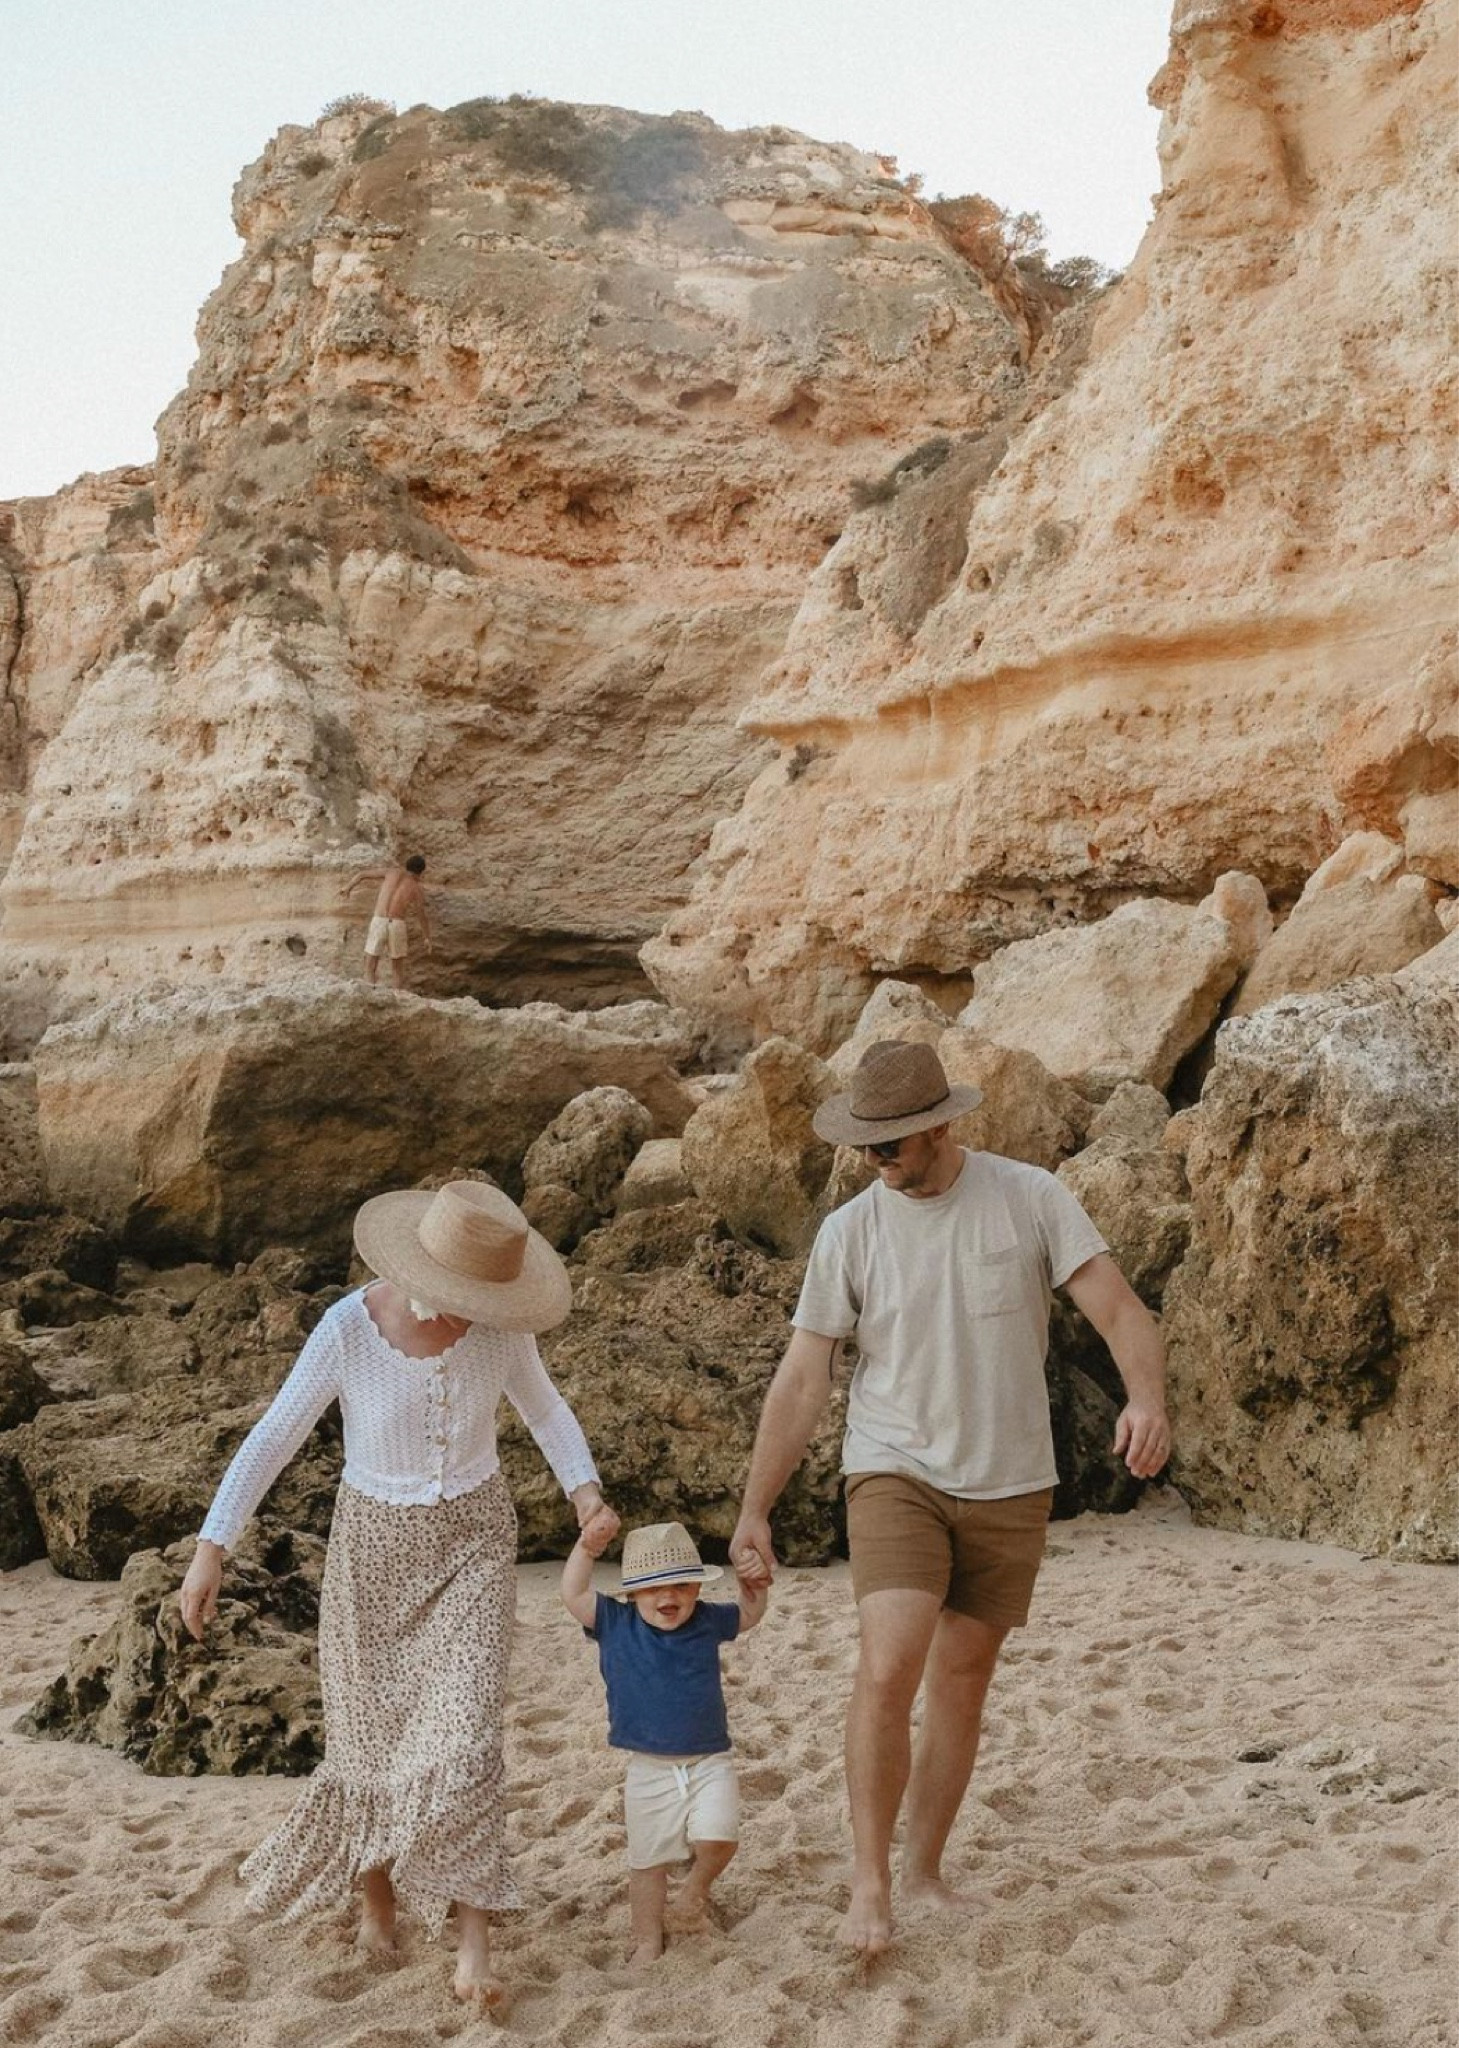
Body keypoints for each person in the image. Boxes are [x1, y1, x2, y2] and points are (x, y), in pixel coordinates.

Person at [728, 1038, 1172, 1958]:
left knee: (961, 1682)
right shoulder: (850, 1231)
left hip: (1012, 1480)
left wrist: (1146, 1400)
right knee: (888, 1665)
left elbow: (1122, 1311)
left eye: (891, 1143)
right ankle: (868, 1882)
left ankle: (924, 1869)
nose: (876, 1159)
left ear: (939, 1125)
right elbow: (803, 1378)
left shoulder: (1029, 1198)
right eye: (865, 1145)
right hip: (894, 1471)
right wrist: (754, 1508)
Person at [179, 1179, 617, 2011]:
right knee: (369, 1743)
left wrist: (584, 1495)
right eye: (456, 1296)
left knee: (469, 1734)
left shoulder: (501, 1327)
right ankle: (377, 1897)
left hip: (474, 1545)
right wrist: (212, 1548)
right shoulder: (348, 1328)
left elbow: (547, 1412)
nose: (464, 1313)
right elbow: (275, 1434)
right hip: (370, 1554)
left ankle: (474, 1941)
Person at [561, 1519, 767, 1967]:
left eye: (681, 1585)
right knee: (648, 1861)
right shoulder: (615, 1622)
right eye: (654, 1588)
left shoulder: (709, 1620)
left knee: (721, 1836)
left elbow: (750, 1614)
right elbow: (573, 1594)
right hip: (648, 1767)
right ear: (632, 1593)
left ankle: (694, 1890)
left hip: (710, 1758)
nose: (668, 1597)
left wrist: (755, 1584)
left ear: (697, 1587)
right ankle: (647, 1939)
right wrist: (586, 1547)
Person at [342, 854, 432, 990]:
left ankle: (369, 993)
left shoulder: (391, 872)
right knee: (397, 968)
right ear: (421, 872)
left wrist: (348, 887)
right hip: (397, 924)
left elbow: (362, 874)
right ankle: (396, 997)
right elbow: (421, 914)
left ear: (406, 865)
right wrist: (427, 937)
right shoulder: (416, 887)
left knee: (370, 964)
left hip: (379, 920)